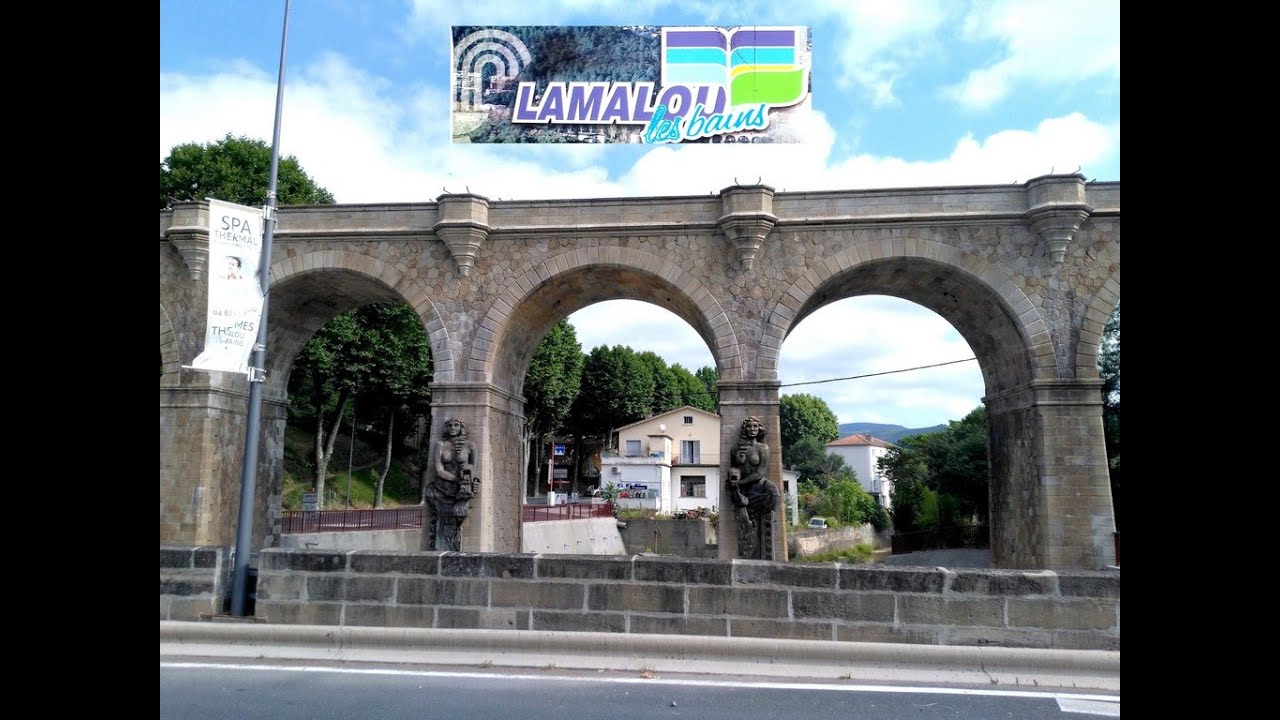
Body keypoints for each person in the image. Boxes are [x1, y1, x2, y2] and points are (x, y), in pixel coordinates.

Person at [727, 415, 781, 559]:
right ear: (745, 429)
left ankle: (761, 523)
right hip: (742, 489)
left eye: (755, 426)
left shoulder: (763, 448)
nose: (752, 429)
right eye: (749, 426)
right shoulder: (736, 449)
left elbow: (760, 473)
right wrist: (735, 477)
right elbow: (734, 468)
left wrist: (740, 482)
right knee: (745, 517)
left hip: (758, 485)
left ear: (759, 429)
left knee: (774, 494)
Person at [424, 418, 480, 551]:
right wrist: (456, 479)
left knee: (457, 518)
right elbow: (439, 470)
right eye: (450, 425)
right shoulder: (440, 445)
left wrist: (474, 482)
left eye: (456, 425)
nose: (453, 428)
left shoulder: (470, 445)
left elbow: (474, 470)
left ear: (461, 428)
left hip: (460, 490)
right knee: (441, 523)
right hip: (442, 488)